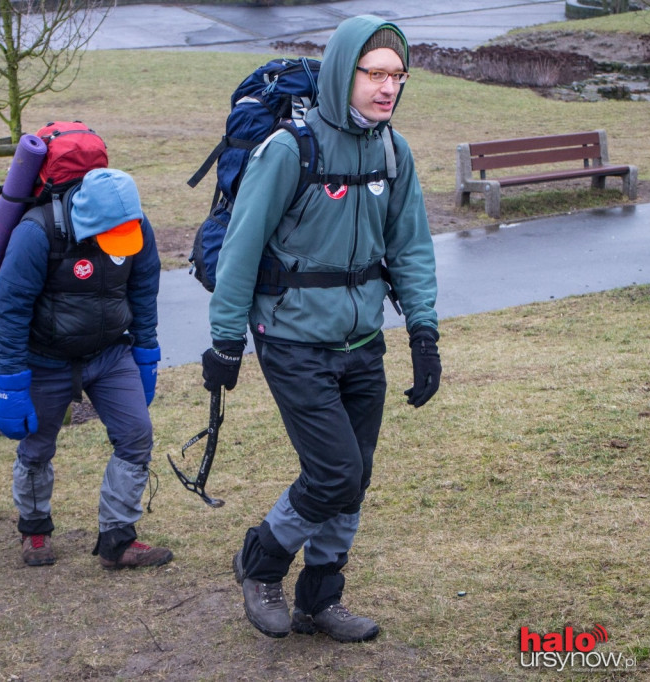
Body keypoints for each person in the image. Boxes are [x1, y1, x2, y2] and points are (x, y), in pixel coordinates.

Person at [204, 15, 441, 641]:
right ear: (345, 72)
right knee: (334, 471)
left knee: (354, 475)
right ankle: (260, 563)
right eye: (375, 74)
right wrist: (225, 339)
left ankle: (320, 597)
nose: (387, 88)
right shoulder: (290, 148)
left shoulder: (395, 150)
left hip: (362, 340)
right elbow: (242, 247)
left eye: (397, 76)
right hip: (292, 337)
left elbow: (411, 248)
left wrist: (423, 333)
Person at [0, 167, 172, 571]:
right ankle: (34, 528)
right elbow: (10, 309)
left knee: (136, 435)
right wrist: (12, 384)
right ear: (86, 220)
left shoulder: (136, 226)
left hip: (110, 353)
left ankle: (118, 540)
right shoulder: (36, 234)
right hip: (45, 358)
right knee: (37, 447)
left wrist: (145, 353)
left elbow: (144, 290)